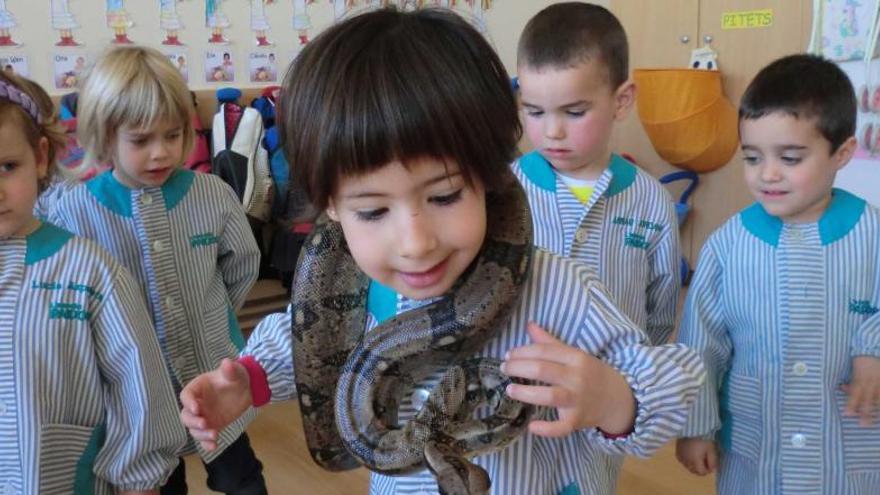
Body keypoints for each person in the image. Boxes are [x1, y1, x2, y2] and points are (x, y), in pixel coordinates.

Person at [177, 8, 704, 495]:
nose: (416, 243)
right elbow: (304, 341)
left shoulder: (554, 289)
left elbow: (678, 375)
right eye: (373, 211)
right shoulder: (355, 287)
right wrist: (248, 380)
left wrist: (615, 398)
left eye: (445, 195)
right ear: (332, 209)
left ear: (489, 180)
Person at [46, 46, 266, 495]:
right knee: (161, 482)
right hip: (135, 397)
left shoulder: (212, 194)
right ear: (105, 138)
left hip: (211, 372)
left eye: (173, 135)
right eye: (141, 140)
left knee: (240, 477)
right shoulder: (73, 211)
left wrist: (212, 314)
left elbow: (242, 264)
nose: (161, 153)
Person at [675, 54, 880, 494]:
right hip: (759, 455)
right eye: (752, 157)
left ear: (841, 153)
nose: (767, 174)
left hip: (848, 453)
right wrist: (695, 426)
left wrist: (874, 349)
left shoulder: (872, 231)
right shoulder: (728, 246)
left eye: (790, 157)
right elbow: (700, 345)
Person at [0, 70, 185, 495]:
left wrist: (140, 479)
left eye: (8, 167)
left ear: (41, 157)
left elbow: (137, 384)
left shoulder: (89, 271)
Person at [512, 3, 680, 346]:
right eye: (534, 111)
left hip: (617, 385)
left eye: (574, 112)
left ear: (621, 101)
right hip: (520, 386)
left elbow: (660, 310)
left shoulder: (651, 200)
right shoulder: (504, 190)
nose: (552, 131)